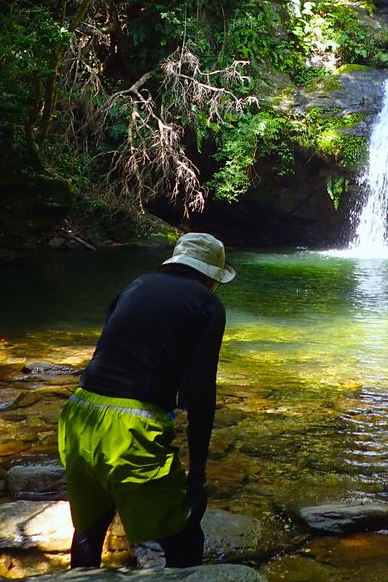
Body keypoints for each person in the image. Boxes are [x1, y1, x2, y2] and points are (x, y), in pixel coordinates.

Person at [58, 232, 234, 568]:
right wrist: (197, 477)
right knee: (184, 538)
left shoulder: (136, 285)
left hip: (79, 412)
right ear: (212, 276)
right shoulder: (208, 305)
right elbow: (200, 393)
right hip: (130, 427)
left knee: (89, 529)